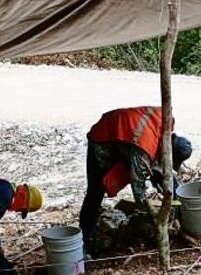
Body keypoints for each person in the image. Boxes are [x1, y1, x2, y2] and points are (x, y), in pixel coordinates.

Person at [80, 106, 192, 250]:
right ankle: (84, 241)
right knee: (95, 192)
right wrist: (155, 217)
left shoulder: (166, 122)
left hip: (126, 137)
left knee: (155, 172)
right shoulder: (143, 150)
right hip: (103, 137)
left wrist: (172, 196)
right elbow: (138, 191)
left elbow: (160, 168)